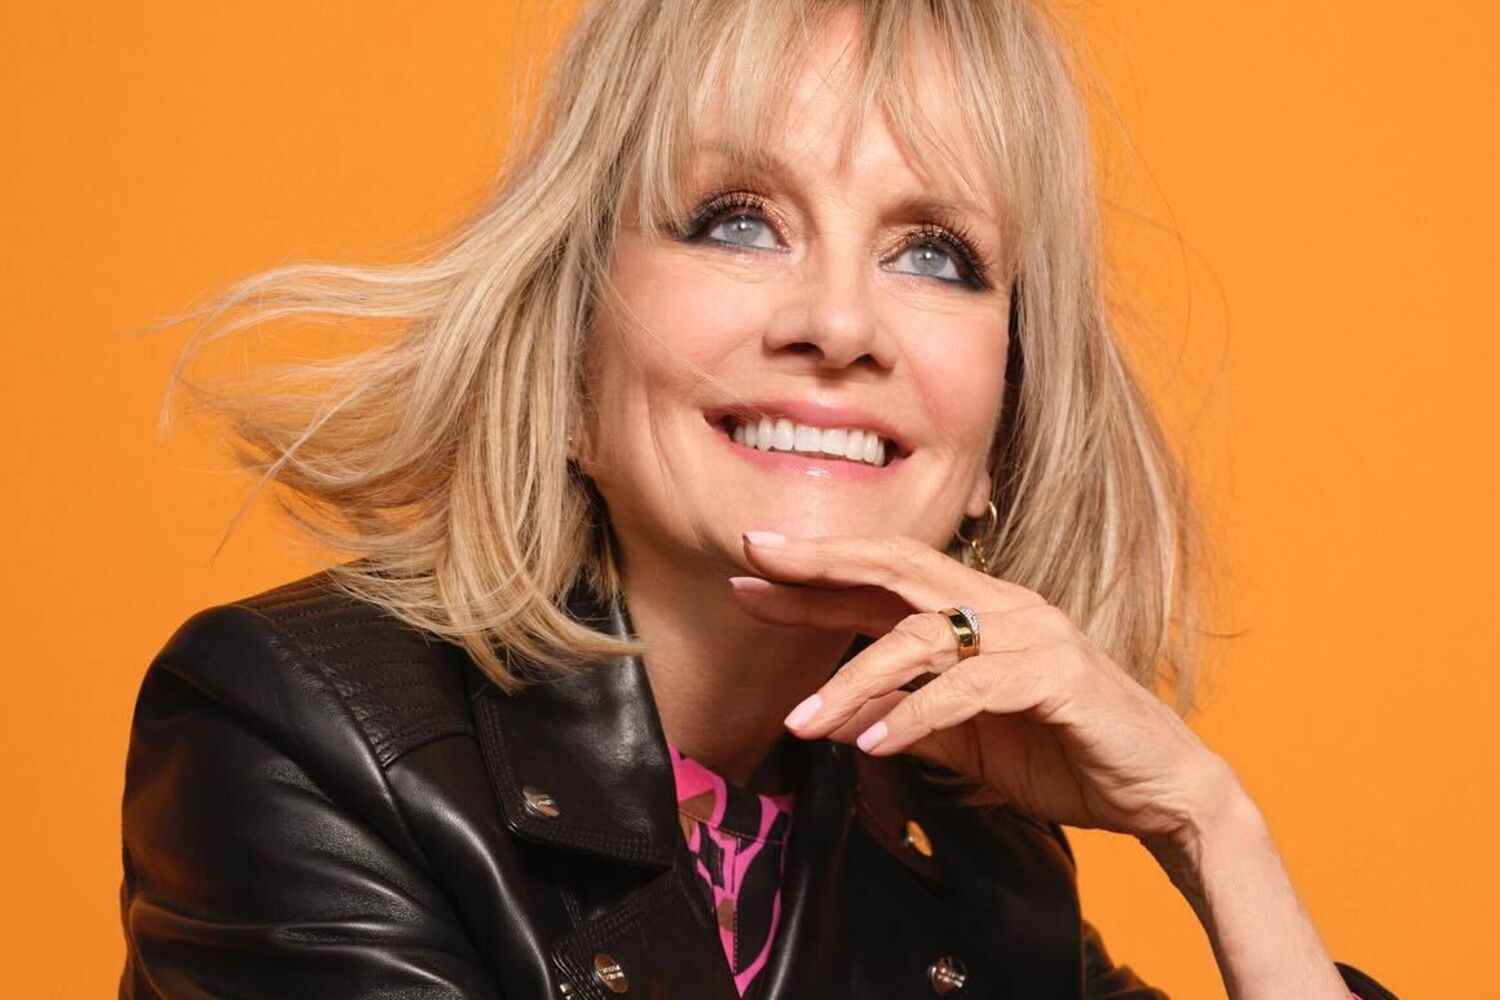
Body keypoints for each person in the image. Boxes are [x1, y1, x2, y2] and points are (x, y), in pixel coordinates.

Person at [118, 1, 1400, 998]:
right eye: (737, 222)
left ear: (1001, 433)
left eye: (934, 253)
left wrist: (1210, 824)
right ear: (567, 352)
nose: (839, 322)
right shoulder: (300, 735)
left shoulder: (972, 859)